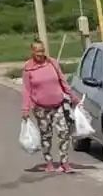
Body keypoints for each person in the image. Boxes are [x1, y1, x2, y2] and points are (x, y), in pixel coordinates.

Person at [20, 39, 80, 173]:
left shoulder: (52, 63)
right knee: (46, 135)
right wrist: (25, 108)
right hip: (41, 107)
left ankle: (64, 162)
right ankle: (48, 162)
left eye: (42, 51)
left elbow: (62, 81)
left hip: (58, 104)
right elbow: (26, 90)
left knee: (64, 132)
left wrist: (72, 96)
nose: (40, 54)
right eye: (37, 51)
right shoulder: (28, 68)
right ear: (32, 52)